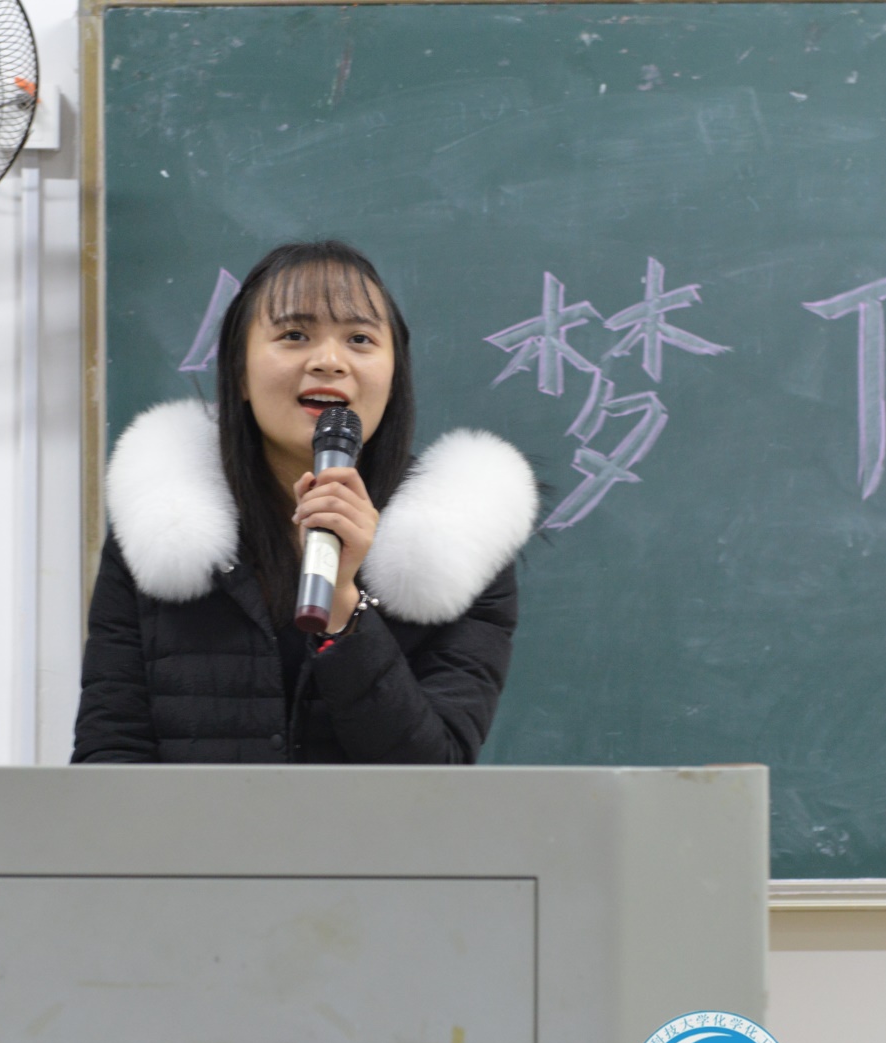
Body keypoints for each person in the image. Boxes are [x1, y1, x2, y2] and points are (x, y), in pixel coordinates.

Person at [72, 241, 538, 763]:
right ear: (239, 372)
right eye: (294, 335)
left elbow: (434, 773)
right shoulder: (163, 522)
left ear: (393, 378)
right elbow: (109, 754)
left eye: (360, 339)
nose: (329, 362)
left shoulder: (458, 537)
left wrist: (343, 605)